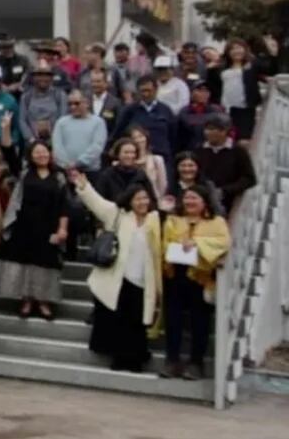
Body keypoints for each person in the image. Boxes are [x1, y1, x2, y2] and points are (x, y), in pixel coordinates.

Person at [70, 172, 161, 372]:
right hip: (120, 277)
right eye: (138, 199)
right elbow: (97, 203)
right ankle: (119, 360)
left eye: (145, 198)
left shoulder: (156, 219)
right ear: (130, 200)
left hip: (144, 280)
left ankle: (136, 360)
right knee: (120, 321)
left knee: (138, 323)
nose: (142, 202)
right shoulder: (118, 215)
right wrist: (84, 186)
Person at [160, 185, 232, 380]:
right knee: (172, 320)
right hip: (175, 275)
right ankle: (172, 360)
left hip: (201, 277)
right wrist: (177, 245)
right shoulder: (174, 220)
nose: (190, 202)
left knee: (199, 322)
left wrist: (197, 243)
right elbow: (165, 243)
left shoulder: (217, 222)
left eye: (195, 198)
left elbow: (223, 242)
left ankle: (196, 363)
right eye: (187, 198)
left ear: (205, 201)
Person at [0, 141, 69, 320]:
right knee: (25, 263)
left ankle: (43, 301)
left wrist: (62, 229)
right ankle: (26, 300)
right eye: (37, 152)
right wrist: (5, 131)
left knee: (45, 264)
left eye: (44, 152)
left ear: (50, 154)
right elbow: (10, 154)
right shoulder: (25, 173)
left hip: (48, 227)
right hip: (24, 226)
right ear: (31, 156)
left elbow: (63, 206)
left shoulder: (59, 176)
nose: (41, 155)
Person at [113, 75, 176, 177]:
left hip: (162, 160)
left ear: (156, 90)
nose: (146, 94)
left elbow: (174, 136)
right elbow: (118, 134)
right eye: (142, 91)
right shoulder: (129, 111)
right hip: (136, 161)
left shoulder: (166, 110)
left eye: (149, 90)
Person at [193, 114, 256, 216]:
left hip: (228, 202)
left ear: (224, 131)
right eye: (206, 129)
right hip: (203, 201)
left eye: (212, 129)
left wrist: (225, 191)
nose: (207, 133)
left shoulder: (238, 151)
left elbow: (249, 178)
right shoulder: (199, 151)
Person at [207, 39, 263, 143]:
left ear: (245, 50)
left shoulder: (251, 66)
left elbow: (270, 69)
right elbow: (213, 87)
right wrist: (210, 70)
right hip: (226, 109)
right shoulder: (222, 68)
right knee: (226, 140)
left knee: (243, 141)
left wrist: (273, 54)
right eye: (233, 49)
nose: (236, 51)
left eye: (239, 48)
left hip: (245, 109)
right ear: (228, 52)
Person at [52, 90, 107, 174]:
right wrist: (67, 164)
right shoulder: (61, 122)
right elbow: (57, 146)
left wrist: (78, 163)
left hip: (90, 172)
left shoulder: (98, 122)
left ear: (87, 103)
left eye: (77, 103)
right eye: (70, 104)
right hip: (66, 171)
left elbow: (97, 146)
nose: (73, 107)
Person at [96, 138, 156, 207]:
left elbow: (152, 200)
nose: (130, 156)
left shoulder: (141, 175)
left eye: (133, 152)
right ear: (118, 154)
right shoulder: (107, 175)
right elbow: (100, 202)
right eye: (126, 152)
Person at [19, 60, 68, 144]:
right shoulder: (26, 97)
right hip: (32, 142)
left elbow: (63, 118)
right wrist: (31, 139)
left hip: (55, 140)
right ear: (33, 77)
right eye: (39, 75)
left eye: (46, 75)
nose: (43, 78)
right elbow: (22, 120)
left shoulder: (59, 95)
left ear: (51, 77)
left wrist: (54, 138)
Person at [177, 80, 226, 153]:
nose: (203, 93)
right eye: (200, 90)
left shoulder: (217, 110)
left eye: (206, 91)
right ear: (192, 93)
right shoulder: (184, 111)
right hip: (189, 150)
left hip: (212, 150)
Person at [0, 33, 31, 98]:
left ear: (13, 46)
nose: (6, 49)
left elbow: (31, 77)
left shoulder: (24, 60)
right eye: (2, 47)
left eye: (9, 46)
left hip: (20, 97)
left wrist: (19, 84)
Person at [130, 126, 169, 202]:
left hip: (153, 201)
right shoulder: (127, 161)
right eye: (134, 138)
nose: (138, 140)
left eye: (140, 136)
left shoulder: (157, 160)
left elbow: (162, 185)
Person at [88, 68, 124, 137]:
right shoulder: (85, 101)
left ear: (106, 83)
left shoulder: (115, 103)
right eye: (93, 81)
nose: (95, 84)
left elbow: (118, 127)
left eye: (98, 81)